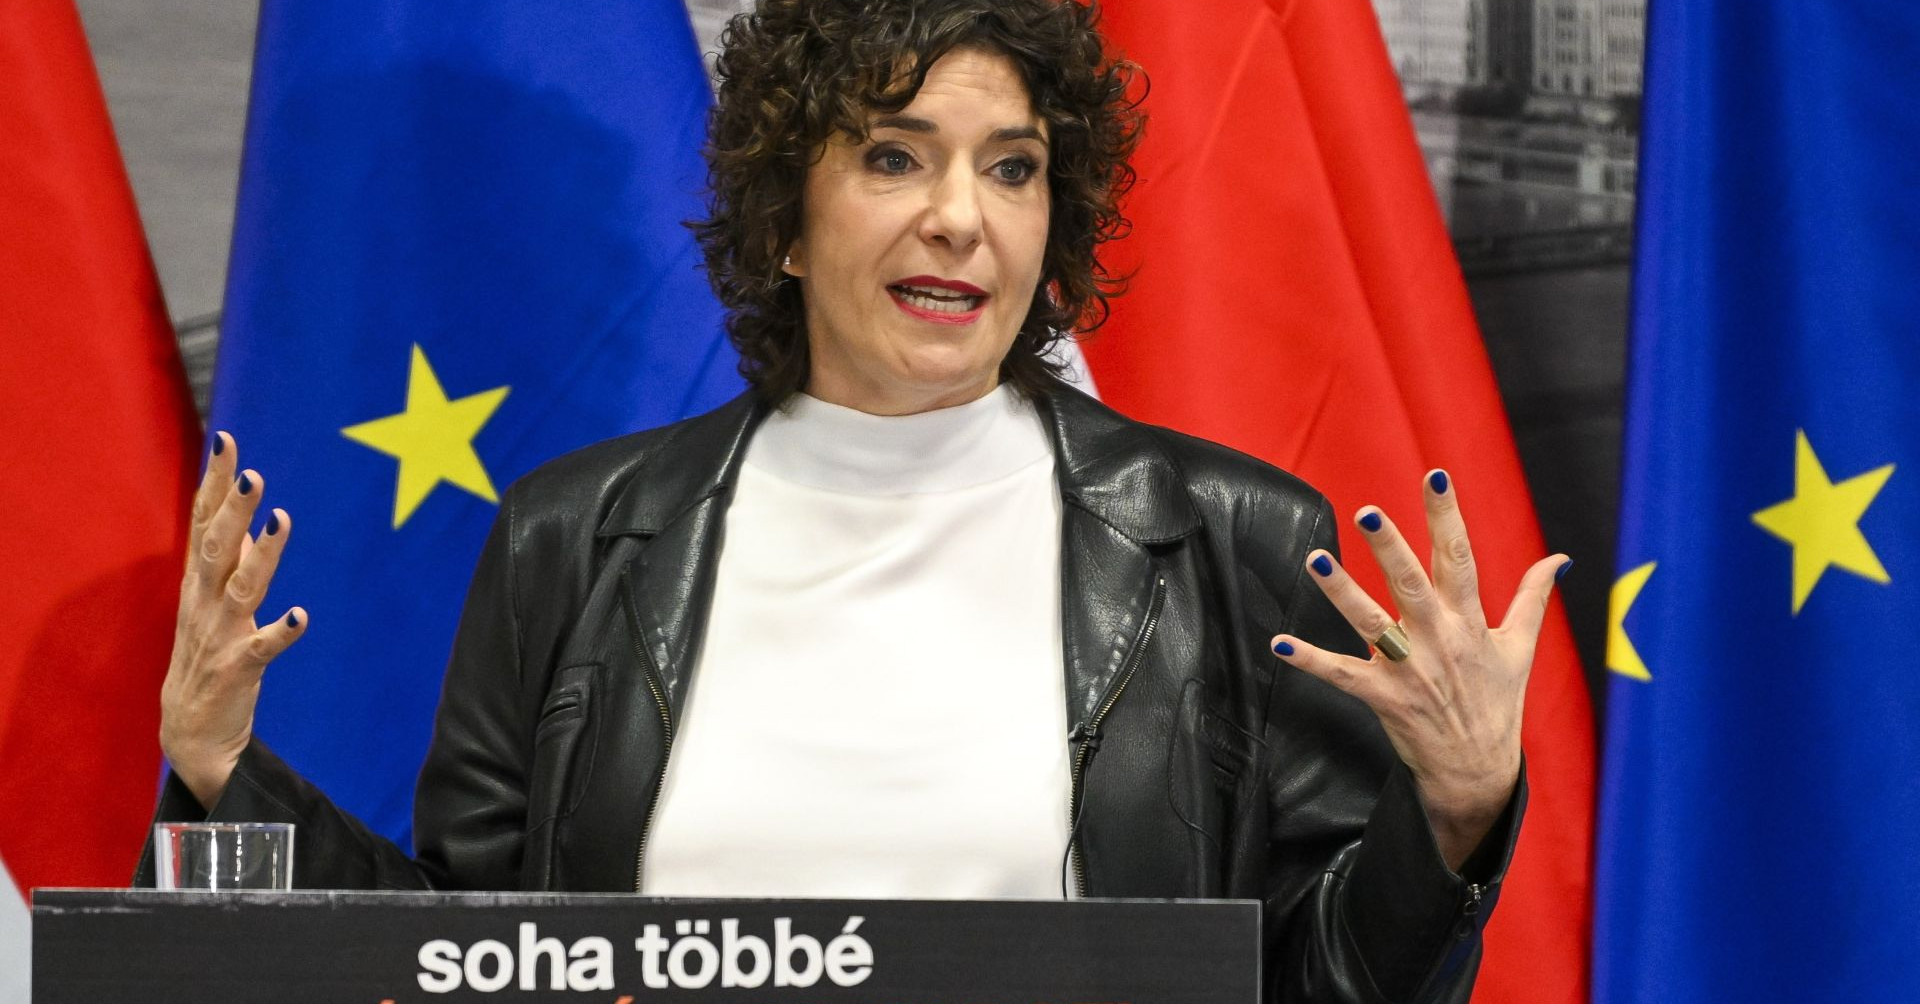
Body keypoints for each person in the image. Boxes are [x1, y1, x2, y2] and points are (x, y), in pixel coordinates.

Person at [142, 1, 1567, 1001]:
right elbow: (468, 964)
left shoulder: (1229, 535)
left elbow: (1324, 984)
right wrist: (221, 772)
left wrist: (1454, 816)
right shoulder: (575, 538)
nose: (961, 214)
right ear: (785, 220)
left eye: (1013, 169)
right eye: (895, 156)